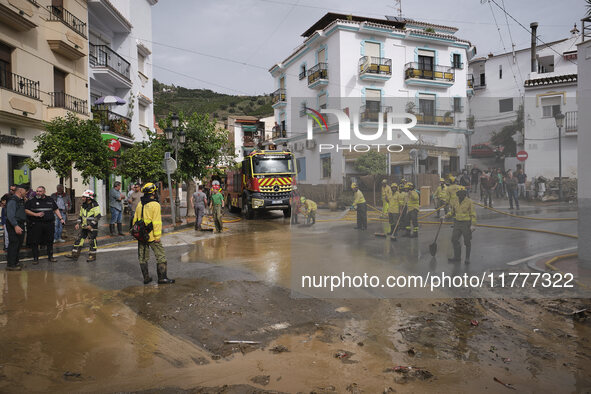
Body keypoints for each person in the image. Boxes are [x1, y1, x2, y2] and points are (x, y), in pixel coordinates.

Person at [133, 183, 175, 285]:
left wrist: (137, 234)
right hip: (151, 236)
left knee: (142, 257)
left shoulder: (140, 203)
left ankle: (146, 278)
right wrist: (157, 236)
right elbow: (156, 222)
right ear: (152, 192)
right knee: (161, 256)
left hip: (141, 235)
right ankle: (162, 278)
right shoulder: (155, 205)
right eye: (155, 191)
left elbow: (135, 220)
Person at [25, 186, 65, 264]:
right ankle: (35, 258)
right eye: (37, 191)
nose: (38, 193)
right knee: (35, 241)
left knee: (50, 241)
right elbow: (26, 210)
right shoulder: (32, 200)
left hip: (49, 224)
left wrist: (61, 218)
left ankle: (50, 257)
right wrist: (35, 214)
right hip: (37, 224)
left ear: (44, 192)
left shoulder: (50, 200)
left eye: (40, 191)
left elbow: (56, 209)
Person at [66, 190, 101, 262]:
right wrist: (78, 223)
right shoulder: (83, 205)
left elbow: (98, 216)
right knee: (79, 239)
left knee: (92, 241)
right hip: (84, 227)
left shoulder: (95, 205)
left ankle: (92, 256)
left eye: (84, 197)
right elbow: (81, 216)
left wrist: (91, 225)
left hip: (92, 228)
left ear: (88, 198)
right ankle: (74, 254)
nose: (82, 198)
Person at [446, 187, 476, 264]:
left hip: (466, 223)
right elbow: (452, 212)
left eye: (461, 194)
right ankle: (457, 257)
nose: (460, 196)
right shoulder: (455, 201)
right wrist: (445, 216)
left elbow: (473, 214)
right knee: (454, 239)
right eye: (459, 194)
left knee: (467, 241)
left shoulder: (469, 202)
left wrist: (473, 225)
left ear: (464, 194)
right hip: (457, 223)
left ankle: (467, 258)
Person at [5, 185, 27, 271]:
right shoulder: (13, 200)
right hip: (14, 224)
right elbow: (10, 215)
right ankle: (11, 264)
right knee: (14, 244)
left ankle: (16, 262)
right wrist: (15, 226)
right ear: (20, 191)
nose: (26, 193)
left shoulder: (20, 200)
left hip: (20, 223)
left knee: (18, 244)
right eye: (25, 191)